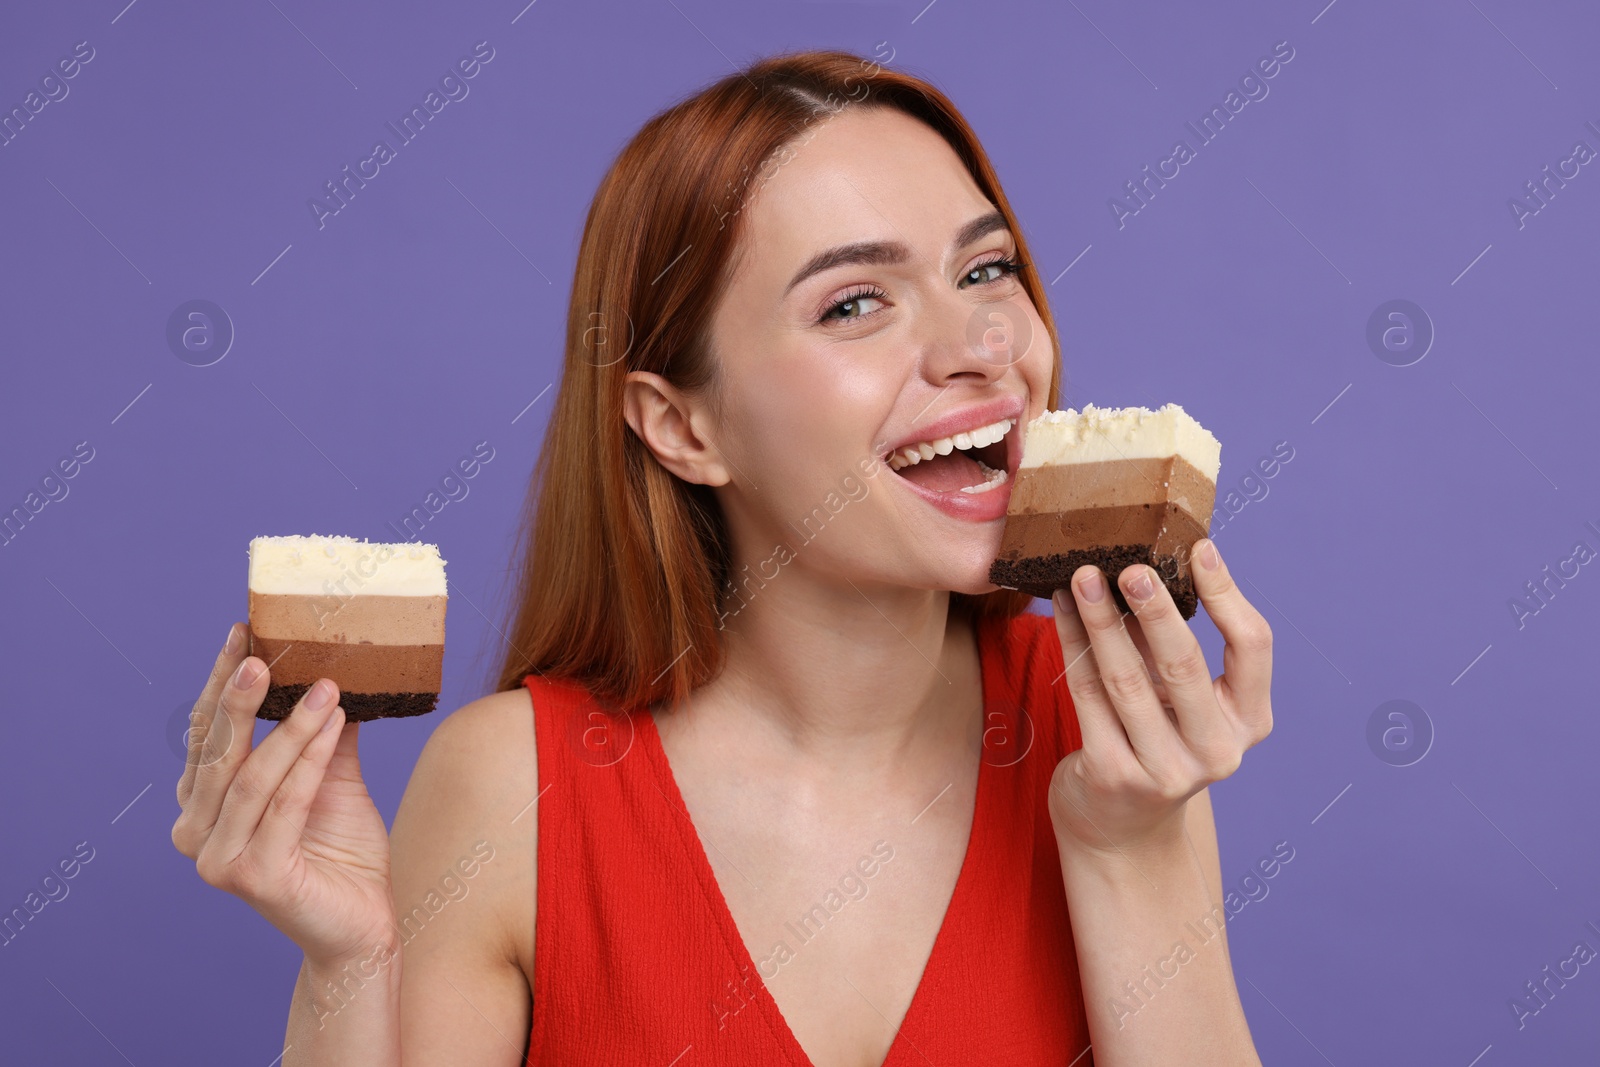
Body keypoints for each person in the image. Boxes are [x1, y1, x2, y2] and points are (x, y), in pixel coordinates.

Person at [172, 49, 1273, 1066]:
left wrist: (1130, 847)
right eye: (854, 301)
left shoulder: (1112, 740)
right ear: (680, 425)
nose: (986, 344)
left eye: (986, 269)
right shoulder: (511, 790)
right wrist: (351, 965)